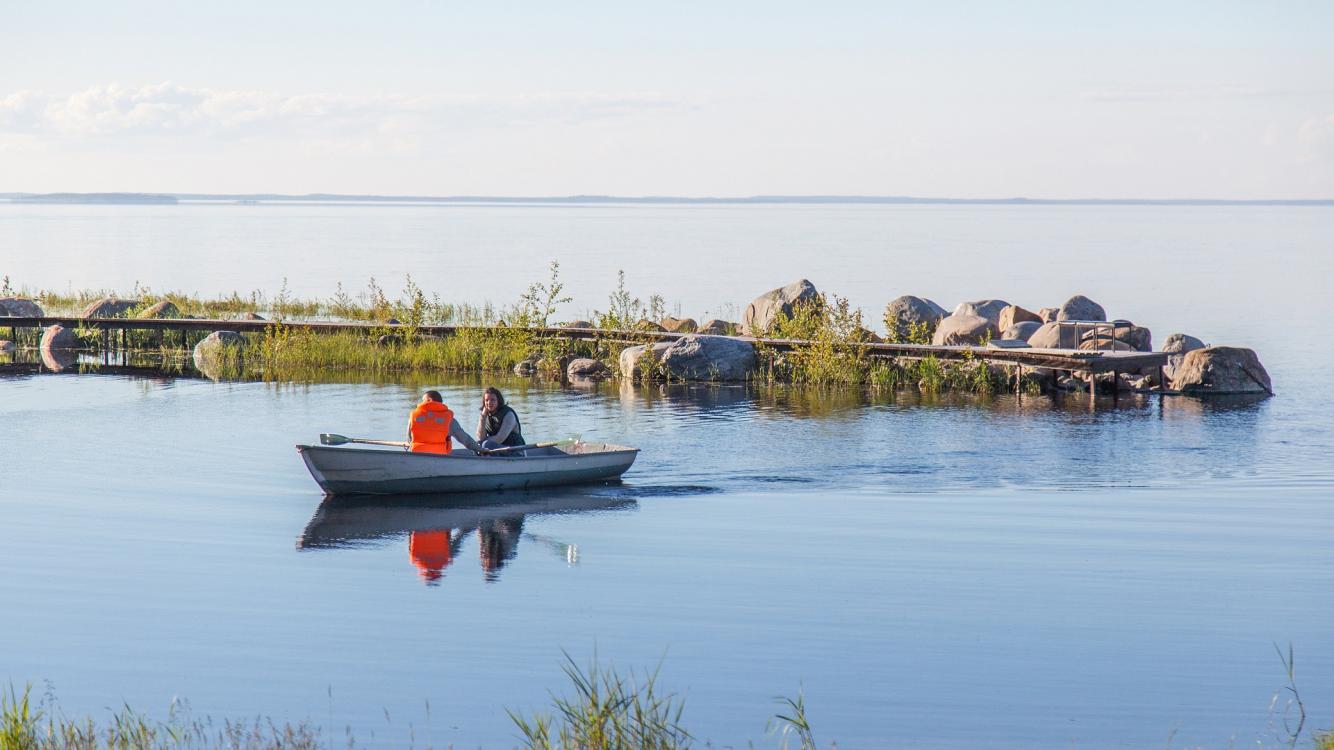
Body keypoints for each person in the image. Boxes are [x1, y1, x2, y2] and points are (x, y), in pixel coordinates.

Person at [407, 390, 483, 454]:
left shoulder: (413, 417)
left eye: (422, 400)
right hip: (441, 455)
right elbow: (466, 440)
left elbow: (409, 440)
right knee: (470, 453)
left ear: (429, 400)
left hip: (417, 454)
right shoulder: (449, 420)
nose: (421, 403)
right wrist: (481, 449)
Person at [475, 386, 526, 452]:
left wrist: (483, 442)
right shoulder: (486, 415)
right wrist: (483, 416)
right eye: (486, 400)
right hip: (499, 450)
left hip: (515, 451)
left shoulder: (508, 414)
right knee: (478, 445)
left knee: (486, 444)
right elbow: (480, 437)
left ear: (498, 401)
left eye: (493, 400)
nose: (489, 403)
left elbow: (499, 439)